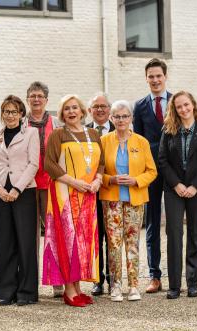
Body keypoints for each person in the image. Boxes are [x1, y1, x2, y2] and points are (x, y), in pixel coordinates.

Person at [42, 94, 105, 307]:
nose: (71, 112)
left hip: (88, 194)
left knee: (82, 241)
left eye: (74, 107)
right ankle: (68, 289)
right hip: (64, 194)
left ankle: (78, 287)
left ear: (82, 110)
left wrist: (97, 181)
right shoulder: (58, 134)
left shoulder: (94, 134)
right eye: (66, 109)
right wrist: (74, 182)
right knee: (67, 240)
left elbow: (102, 164)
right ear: (62, 114)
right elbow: (50, 164)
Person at [158, 91, 197, 299]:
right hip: (174, 190)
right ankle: (174, 285)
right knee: (174, 234)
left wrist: (195, 186)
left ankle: (193, 283)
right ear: (174, 109)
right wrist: (176, 184)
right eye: (179, 106)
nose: (183, 109)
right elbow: (162, 160)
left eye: (186, 105)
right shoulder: (168, 130)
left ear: (193, 105)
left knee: (194, 234)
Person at [100, 100, 157, 302]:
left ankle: (133, 286)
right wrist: (110, 179)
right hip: (112, 200)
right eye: (117, 116)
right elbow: (99, 172)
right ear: (111, 118)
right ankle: (115, 286)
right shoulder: (104, 141)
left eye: (125, 116)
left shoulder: (141, 142)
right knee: (114, 244)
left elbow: (152, 171)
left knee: (132, 243)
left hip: (135, 200)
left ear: (131, 118)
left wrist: (136, 180)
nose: (121, 120)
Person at [0, 95, 40, 306]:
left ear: (21, 114)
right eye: (6, 111)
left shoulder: (31, 133)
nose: (10, 115)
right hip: (1, 192)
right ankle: (6, 291)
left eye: (14, 111)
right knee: (4, 242)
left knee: (25, 242)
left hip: (24, 191)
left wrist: (17, 188)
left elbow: (33, 164)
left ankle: (26, 292)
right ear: (2, 114)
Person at [132, 58, 172, 293]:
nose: (155, 80)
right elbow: (137, 141)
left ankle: (179, 274)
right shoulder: (140, 106)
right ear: (146, 79)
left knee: (176, 225)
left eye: (158, 76)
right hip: (152, 174)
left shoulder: (177, 101)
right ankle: (154, 276)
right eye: (151, 76)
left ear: (165, 77)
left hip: (176, 172)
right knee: (152, 224)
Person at [25, 81, 63, 297]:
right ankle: (31, 284)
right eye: (33, 96)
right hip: (28, 186)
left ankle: (57, 283)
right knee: (29, 236)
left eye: (40, 96)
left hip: (52, 185)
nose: (36, 99)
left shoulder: (57, 124)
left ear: (46, 100)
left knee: (53, 234)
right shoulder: (21, 124)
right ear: (28, 99)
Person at [85, 92, 114, 296]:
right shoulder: (83, 132)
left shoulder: (120, 129)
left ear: (109, 110)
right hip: (91, 192)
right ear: (89, 111)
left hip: (113, 191)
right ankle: (97, 279)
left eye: (103, 106)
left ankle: (114, 279)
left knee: (113, 238)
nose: (100, 110)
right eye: (96, 107)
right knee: (95, 237)